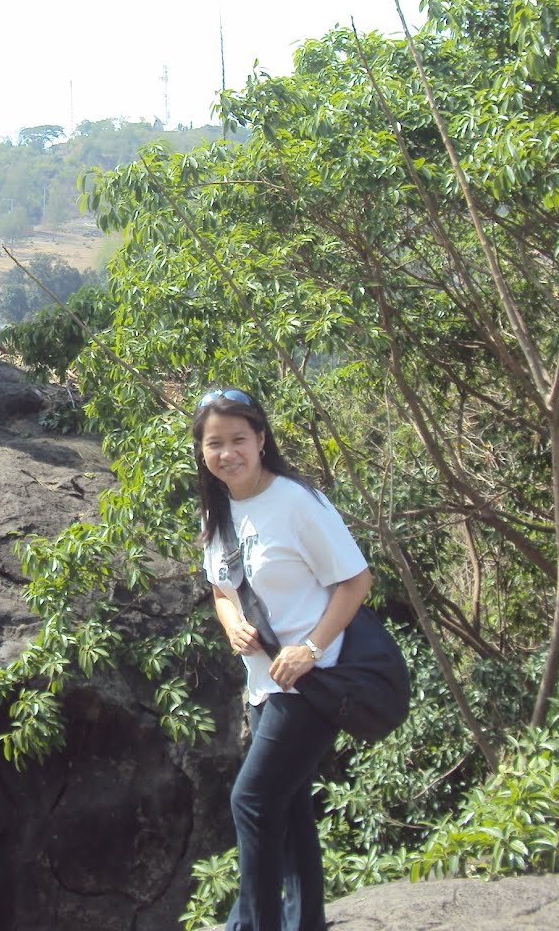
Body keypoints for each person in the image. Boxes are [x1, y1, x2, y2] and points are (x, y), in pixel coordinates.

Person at [195, 388, 373, 931]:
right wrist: (231, 625)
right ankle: (306, 923)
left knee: (250, 801)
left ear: (262, 440)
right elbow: (221, 588)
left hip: (312, 683)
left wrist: (310, 646)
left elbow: (355, 580)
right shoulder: (219, 508)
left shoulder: (297, 502)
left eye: (239, 440)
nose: (228, 453)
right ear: (202, 451)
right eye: (215, 443)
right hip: (262, 686)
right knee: (290, 811)